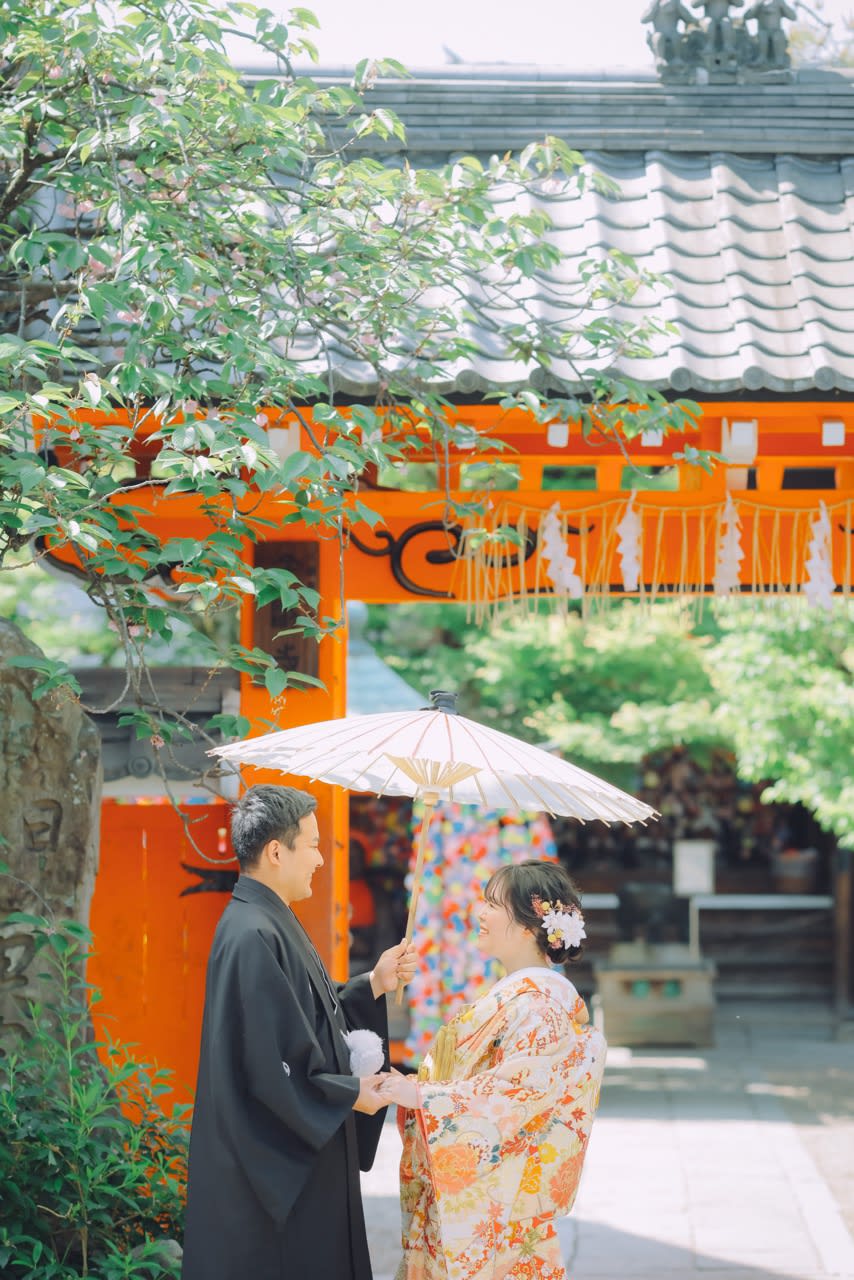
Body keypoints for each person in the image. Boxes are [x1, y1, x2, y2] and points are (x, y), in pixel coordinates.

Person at [182, 784, 417, 1280]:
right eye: (311, 845)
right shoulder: (252, 933)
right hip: (271, 1174)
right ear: (275, 851)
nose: (319, 859)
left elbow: (306, 1017)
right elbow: (268, 1065)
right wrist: (349, 1093)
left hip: (298, 1158)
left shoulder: (265, 919)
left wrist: (374, 983)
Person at [380, 860, 606, 1280]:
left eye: (492, 904)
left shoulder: (540, 1008)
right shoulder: (521, 997)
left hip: (502, 1207)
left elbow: (512, 1097)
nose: (480, 913)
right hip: (489, 1201)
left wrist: (423, 1097)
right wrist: (417, 1086)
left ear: (528, 928)